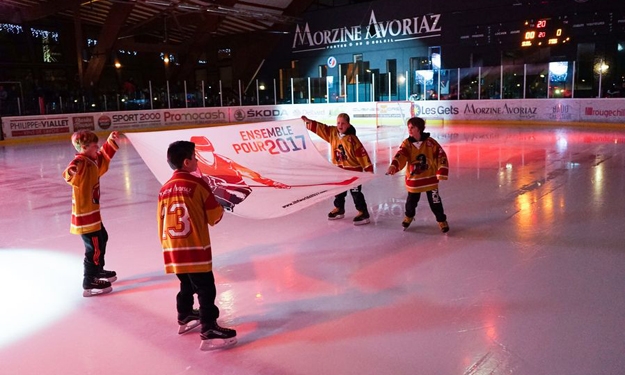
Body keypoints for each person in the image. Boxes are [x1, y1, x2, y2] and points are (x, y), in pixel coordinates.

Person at [158, 140, 237, 351]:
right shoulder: (197, 184)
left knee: (187, 284)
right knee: (205, 287)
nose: (197, 160)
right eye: (194, 157)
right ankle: (209, 328)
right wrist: (219, 204)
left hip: (172, 248)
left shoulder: (164, 188)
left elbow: (161, 220)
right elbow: (214, 216)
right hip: (194, 246)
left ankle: (184, 315)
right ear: (186, 162)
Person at [62, 130, 120, 297]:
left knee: (102, 238)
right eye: (95, 145)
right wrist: (72, 171)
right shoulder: (81, 161)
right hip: (85, 215)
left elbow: (102, 157)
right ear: (84, 147)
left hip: (92, 213)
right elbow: (69, 173)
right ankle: (89, 280)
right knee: (93, 247)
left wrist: (111, 141)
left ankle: (98, 270)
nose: (98, 147)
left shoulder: (91, 160)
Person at [301, 113, 373, 225]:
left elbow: (362, 154)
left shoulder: (353, 139)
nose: (340, 125)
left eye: (343, 123)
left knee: (356, 193)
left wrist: (368, 169)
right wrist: (308, 122)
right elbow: (321, 128)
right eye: (338, 123)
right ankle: (339, 209)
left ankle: (363, 213)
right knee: (339, 191)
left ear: (348, 125)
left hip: (353, 172)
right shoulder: (332, 133)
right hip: (339, 170)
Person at [190, 136, 289, 211]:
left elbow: (250, 174)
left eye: (209, 151)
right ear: (196, 152)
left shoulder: (225, 161)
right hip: (222, 194)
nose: (208, 155)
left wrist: (272, 183)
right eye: (203, 152)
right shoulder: (195, 165)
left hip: (241, 192)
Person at [386, 117, 450, 233]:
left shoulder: (431, 142)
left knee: (435, 202)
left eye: (412, 127)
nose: (410, 130)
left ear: (419, 128)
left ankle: (441, 220)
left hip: (430, 179)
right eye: (409, 127)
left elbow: (441, 155)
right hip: (414, 180)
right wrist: (393, 165)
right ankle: (409, 216)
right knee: (411, 202)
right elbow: (400, 154)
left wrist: (441, 170)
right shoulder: (407, 143)